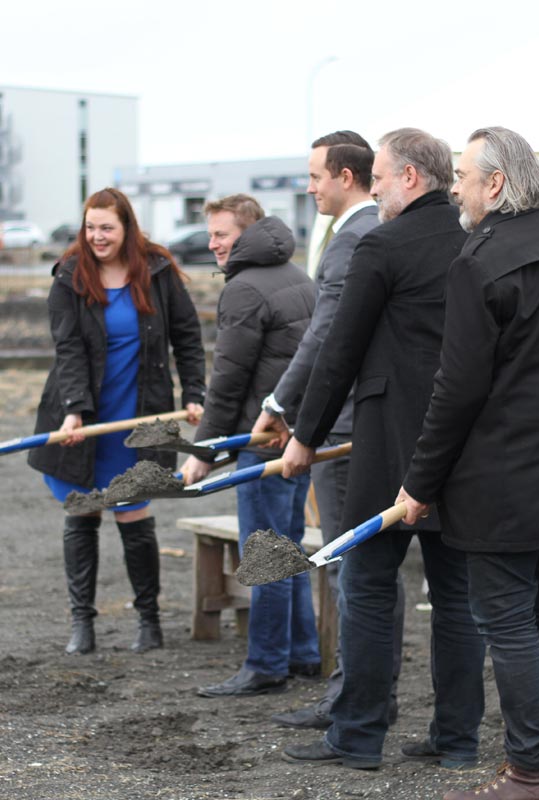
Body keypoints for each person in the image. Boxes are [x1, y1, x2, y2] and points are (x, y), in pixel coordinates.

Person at [279, 128, 486, 771]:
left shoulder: (380, 245)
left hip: (387, 442)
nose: (373, 188)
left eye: (381, 177)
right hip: (461, 445)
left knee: (367, 585)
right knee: (456, 597)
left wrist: (304, 437)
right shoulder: (474, 243)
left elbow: (339, 350)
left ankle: (358, 736)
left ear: (411, 179)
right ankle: (457, 742)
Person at [397, 127, 539, 800]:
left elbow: (457, 387)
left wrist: (419, 480)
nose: (457, 188)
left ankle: (530, 771)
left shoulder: (480, 261)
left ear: (496, 184)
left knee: (508, 619)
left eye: (464, 176)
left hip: (500, 477)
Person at [252, 130, 402, 729]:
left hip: (346, 427)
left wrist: (281, 406)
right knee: (366, 567)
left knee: (350, 565)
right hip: (377, 420)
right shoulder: (377, 232)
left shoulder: (353, 240)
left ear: (346, 176)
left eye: (315, 175)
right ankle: (370, 694)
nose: (308, 186)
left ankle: (357, 699)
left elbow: (327, 338)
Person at [28, 188, 206, 656]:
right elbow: (68, 350)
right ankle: (81, 624)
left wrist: (194, 394)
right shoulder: (69, 276)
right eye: (90, 227)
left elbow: (187, 337)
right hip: (83, 418)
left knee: (133, 514)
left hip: (139, 414)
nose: (97, 236)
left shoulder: (158, 270)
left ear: (127, 226)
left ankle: (148, 622)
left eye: (107, 227)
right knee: (83, 512)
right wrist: (75, 411)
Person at [179, 193, 319, 697]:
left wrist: (203, 453)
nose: (213, 244)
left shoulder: (244, 289)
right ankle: (303, 652)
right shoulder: (297, 275)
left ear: (248, 232)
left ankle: (265, 664)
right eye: (211, 234)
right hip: (298, 436)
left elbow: (228, 381)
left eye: (222, 235)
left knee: (265, 555)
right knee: (288, 547)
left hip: (262, 441)